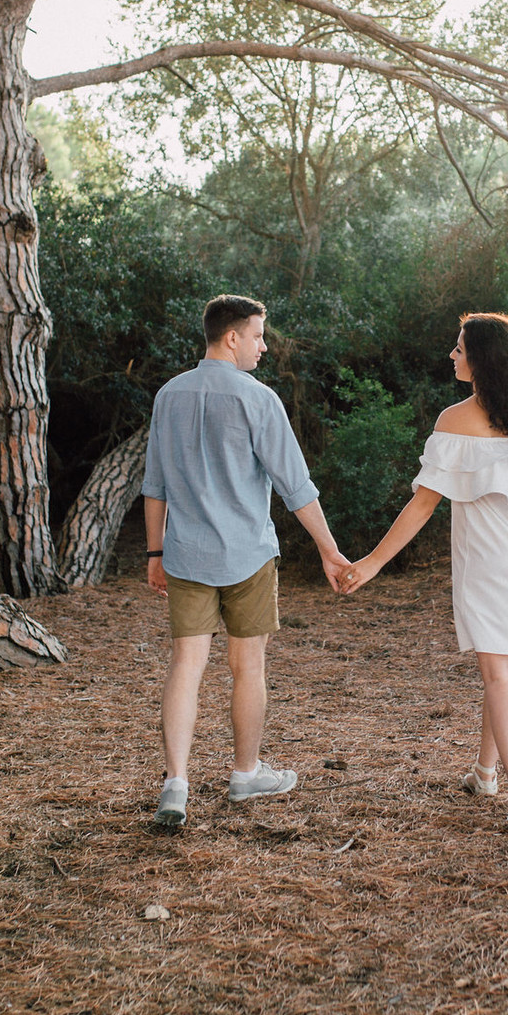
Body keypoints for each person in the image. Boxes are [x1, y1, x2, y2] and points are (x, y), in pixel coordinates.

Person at [341, 313, 508, 832]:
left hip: (493, 564)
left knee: (501, 675)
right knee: (506, 673)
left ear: (481, 361)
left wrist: (372, 562)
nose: (452, 356)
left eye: (459, 349)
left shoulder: (454, 421)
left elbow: (423, 505)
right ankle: (485, 773)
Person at [142, 294, 351, 829]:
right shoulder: (259, 400)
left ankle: (175, 784)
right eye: (258, 335)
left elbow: (155, 486)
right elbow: (296, 487)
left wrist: (154, 552)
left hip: (185, 554)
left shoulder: (169, 395)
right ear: (230, 336)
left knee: (185, 667)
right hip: (249, 556)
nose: (263, 346)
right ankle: (245, 774)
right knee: (247, 667)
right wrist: (329, 551)